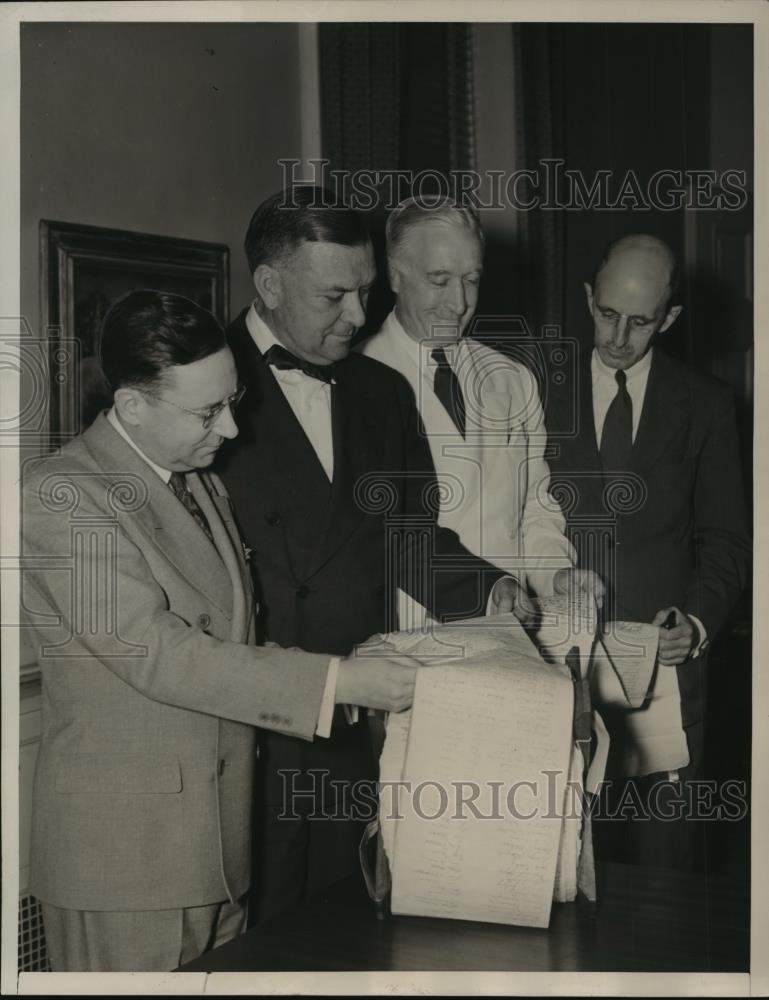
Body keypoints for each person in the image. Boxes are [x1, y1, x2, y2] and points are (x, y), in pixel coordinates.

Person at [20, 290, 417, 971]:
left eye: (231, 401)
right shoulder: (61, 497)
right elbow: (160, 656)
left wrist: (349, 678)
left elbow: (226, 642)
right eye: (207, 412)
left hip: (218, 845)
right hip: (128, 861)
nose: (231, 430)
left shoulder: (196, 480)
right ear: (131, 405)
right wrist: (335, 680)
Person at [218, 186, 527, 920]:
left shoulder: (381, 392)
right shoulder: (203, 383)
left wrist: (487, 591)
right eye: (334, 296)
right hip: (246, 731)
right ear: (268, 284)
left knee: (343, 927)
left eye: (364, 292)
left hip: (353, 722)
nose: (358, 317)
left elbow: (407, 537)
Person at [545, 234, 750, 869]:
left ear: (671, 319)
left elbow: (727, 540)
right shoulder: (533, 392)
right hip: (559, 673)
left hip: (667, 685)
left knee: (668, 888)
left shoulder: (709, 405)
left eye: (640, 322)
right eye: (607, 314)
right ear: (588, 298)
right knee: (566, 873)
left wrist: (695, 623)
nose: (618, 337)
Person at [359, 196, 602, 619]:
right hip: (412, 635)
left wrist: (556, 573)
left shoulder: (511, 377)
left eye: (471, 279)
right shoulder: (357, 381)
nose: (458, 303)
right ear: (395, 275)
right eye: (439, 280)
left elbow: (534, 506)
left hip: (511, 627)